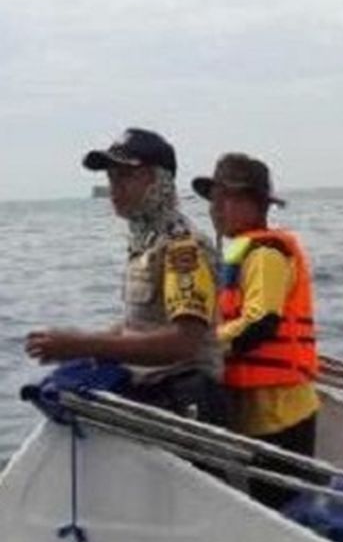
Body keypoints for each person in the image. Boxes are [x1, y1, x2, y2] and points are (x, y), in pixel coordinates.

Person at [25, 128, 225, 423]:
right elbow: (139, 325)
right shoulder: (147, 243)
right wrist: (75, 345)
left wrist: (83, 345)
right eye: (111, 178)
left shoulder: (182, 246)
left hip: (188, 406)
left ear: (160, 182)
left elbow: (184, 343)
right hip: (155, 396)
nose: (115, 189)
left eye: (126, 177)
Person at [192, 153, 320, 508]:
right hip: (256, 406)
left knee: (284, 506)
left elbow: (261, 321)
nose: (216, 209)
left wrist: (199, 345)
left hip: (280, 410)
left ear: (255, 205)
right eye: (214, 200)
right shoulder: (240, 253)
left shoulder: (266, 253)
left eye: (226, 200)